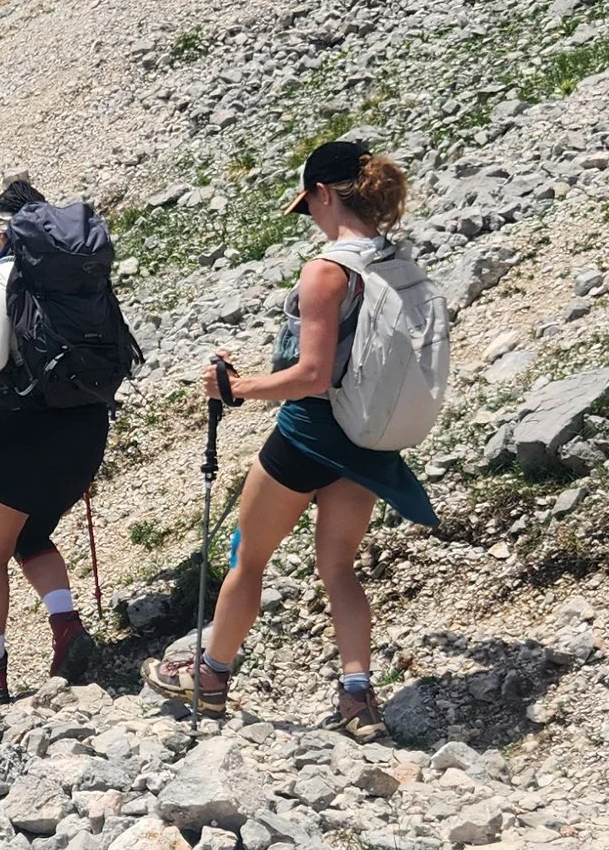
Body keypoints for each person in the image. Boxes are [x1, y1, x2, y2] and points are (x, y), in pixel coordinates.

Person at [144, 136, 442, 739]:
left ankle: (210, 675)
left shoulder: (326, 270)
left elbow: (309, 374)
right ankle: (358, 700)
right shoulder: (395, 261)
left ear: (325, 194)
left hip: (307, 436)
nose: (311, 220)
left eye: (310, 206)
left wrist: (235, 387)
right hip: (366, 439)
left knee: (247, 557)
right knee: (338, 567)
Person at [0, 175, 135, 699]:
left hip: (24, 430)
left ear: (7, 231)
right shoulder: (83, 277)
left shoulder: (3, 275)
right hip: (87, 426)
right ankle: (67, 630)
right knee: (30, 535)